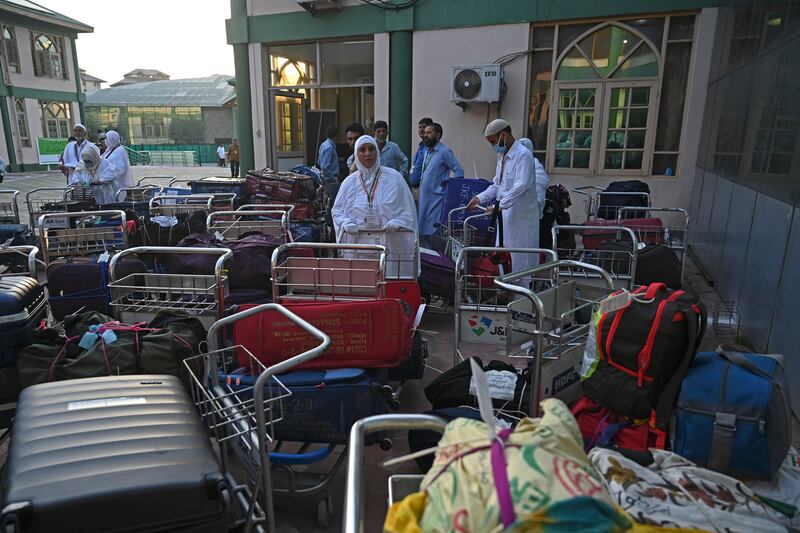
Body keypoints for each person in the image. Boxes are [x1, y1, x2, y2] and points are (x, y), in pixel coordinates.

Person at [332, 135, 418, 278]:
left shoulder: (395, 178)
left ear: (377, 152)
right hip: (358, 245)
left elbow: (409, 211)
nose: (367, 154)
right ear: (356, 154)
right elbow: (337, 211)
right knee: (361, 282)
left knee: (388, 281)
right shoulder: (349, 182)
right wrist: (345, 222)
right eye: (362, 150)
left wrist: (399, 222)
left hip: (389, 243)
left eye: (371, 149)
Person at [467, 119, 539, 282]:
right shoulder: (502, 156)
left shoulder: (523, 155)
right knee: (504, 262)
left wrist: (498, 205)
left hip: (521, 221)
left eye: (493, 141)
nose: (492, 146)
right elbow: (497, 186)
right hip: (504, 220)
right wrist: (479, 198)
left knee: (522, 265)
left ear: (504, 136)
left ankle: (523, 304)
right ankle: (509, 300)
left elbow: (522, 185)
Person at [411, 122, 464, 247]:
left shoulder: (444, 151)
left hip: (437, 200)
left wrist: (451, 190)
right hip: (424, 199)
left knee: (434, 235)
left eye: (429, 133)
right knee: (422, 234)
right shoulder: (426, 151)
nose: (425, 135)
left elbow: (459, 171)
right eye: (425, 133)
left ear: (438, 135)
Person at [517, 137, 550, 219]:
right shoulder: (515, 164)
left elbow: (539, 191)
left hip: (530, 213)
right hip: (514, 212)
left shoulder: (536, 166)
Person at [101, 131, 135, 201]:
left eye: (106, 139)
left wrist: (107, 175)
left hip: (118, 185)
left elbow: (120, 169)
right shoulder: (108, 151)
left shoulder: (120, 150)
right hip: (107, 184)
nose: (104, 141)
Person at [408, 117, 433, 188]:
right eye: (420, 127)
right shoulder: (421, 146)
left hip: (424, 187)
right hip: (415, 187)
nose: (421, 130)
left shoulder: (431, 148)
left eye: (424, 127)